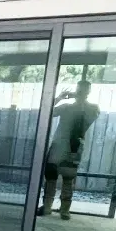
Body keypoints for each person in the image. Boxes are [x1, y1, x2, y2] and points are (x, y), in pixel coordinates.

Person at [39, 78, 99, 220]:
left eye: (83, 91)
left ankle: (64, 209)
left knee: (68, 178)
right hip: (60, 145)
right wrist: (59, 97)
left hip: (73, 147)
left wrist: (68, 98)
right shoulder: (67, 107)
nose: (81, 93)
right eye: (80, 90)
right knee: (51, 176)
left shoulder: (91, 108)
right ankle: (49, 207)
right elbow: (46, 111)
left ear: (88, 92)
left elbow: (87, 120)